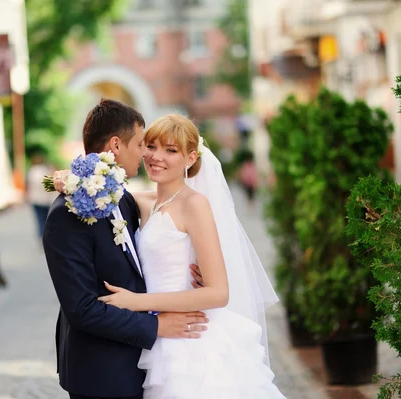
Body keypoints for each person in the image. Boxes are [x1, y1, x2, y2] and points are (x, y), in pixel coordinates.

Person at [56, 114, 285, 398]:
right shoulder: (141, 202)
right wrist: (68, 178)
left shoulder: (195, 205)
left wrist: (138, 302)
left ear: (190, 158)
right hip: (154, 339)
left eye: (170, 150)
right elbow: (103, 190)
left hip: (188, 337)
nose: (156, 157)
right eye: (150, 146)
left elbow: (218, 293)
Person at [43, 100, 208, 399]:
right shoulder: (66, 215)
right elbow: (82, 309)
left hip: (144, 365)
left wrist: (197, 274)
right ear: (116, 145)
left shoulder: (124, 199)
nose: (146, 153)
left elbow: (172, 204)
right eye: (143, 144)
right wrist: (156, 325)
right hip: (100, 373)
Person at [26, 153, 56, 238]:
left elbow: (29, 185)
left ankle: (41, 236)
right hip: (46, 200)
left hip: (35, 200)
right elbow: (50, 187)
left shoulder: (31, 171)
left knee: (39, 219)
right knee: (47, 220)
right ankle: (47, 236)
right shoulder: (46, 171)